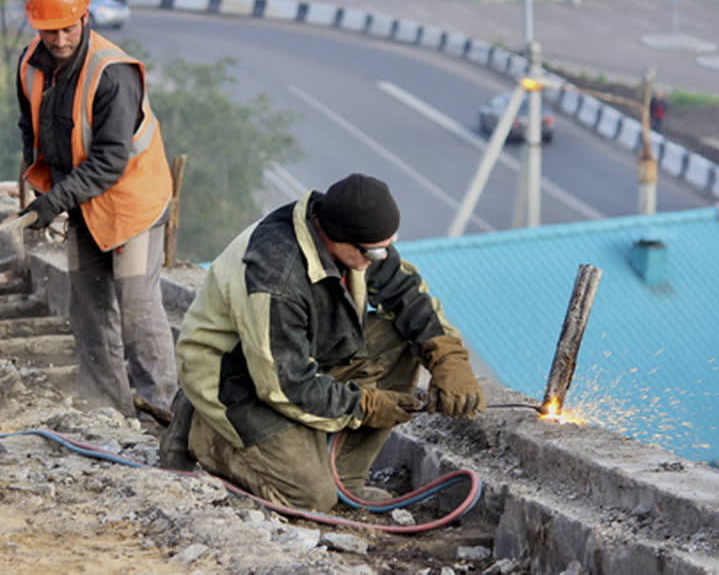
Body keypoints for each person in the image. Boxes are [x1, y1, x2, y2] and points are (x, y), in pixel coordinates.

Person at [162, 173, 484, 511]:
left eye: (386, 247)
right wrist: (364, 406)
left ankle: (345, 480)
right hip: (235, 379)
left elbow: (406, 293)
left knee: (399, 339)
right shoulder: (277, 278)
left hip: (290, 354)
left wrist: (447, 356)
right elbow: (284, 385)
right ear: (338, 238)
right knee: (311, 498)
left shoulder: (349, 234)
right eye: (375, 252)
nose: (381, 257)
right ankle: (206, 434)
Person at [16, 0, 177, 417]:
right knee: (87, 307)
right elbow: (30, 131)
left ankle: (163, 410)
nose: (59, 40)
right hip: (83, 202)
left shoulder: (112, 73)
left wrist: (54, 201)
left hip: (132, 205)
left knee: (137, 308)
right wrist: (38, 189)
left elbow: (109, 161)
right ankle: (108, 412)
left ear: (85, 17)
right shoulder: (30, 66)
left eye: (67, 28)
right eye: (49, 31)